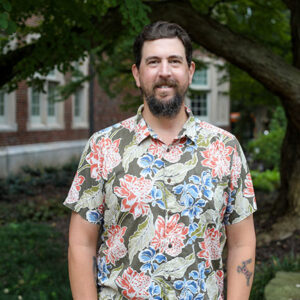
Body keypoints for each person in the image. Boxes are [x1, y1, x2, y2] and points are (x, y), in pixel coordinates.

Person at [64, 21, 257, 300]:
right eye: (153, 62)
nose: (164, 72)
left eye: (174, 61)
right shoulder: (104, 146)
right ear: (137, 74)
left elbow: (242, 243)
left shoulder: (225, 148)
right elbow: (81, 244)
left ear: (189, 71)